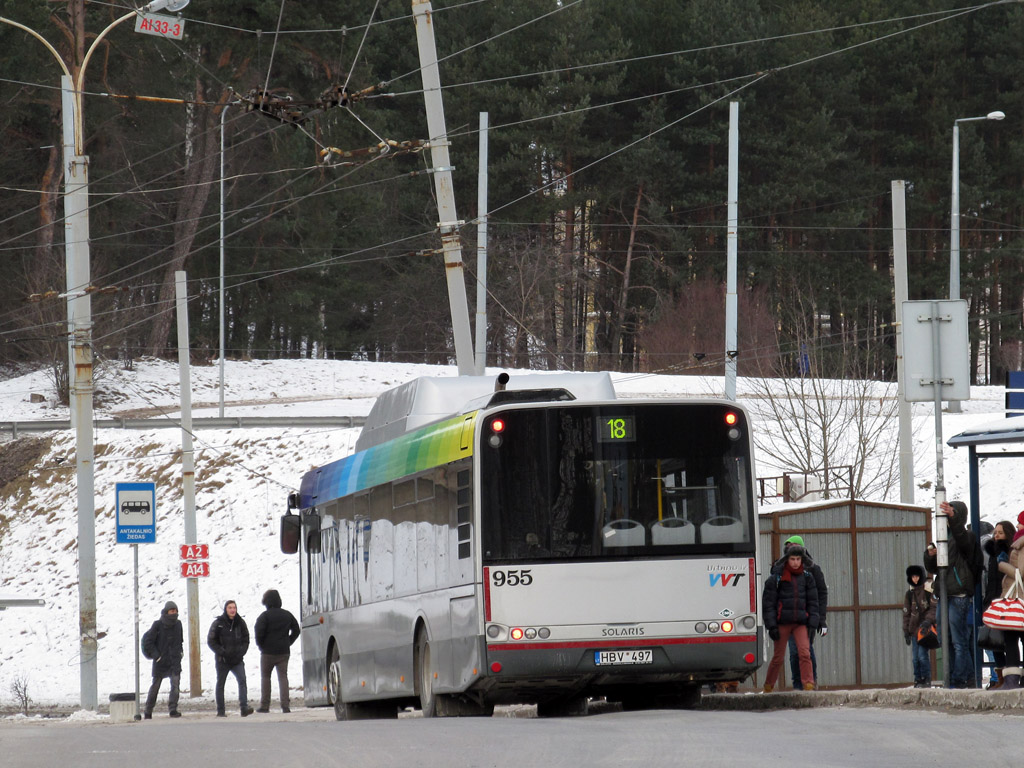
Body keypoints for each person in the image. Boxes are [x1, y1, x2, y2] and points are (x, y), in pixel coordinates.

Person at [923, 500, 982, 689]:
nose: (948, 516)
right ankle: (953, 678)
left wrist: (953, 518)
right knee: (944, 639)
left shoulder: (968, 537)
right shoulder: (944, 537)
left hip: (959, 594)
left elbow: (962, 538)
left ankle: (959, 680)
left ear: (959, 516)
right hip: (944, 593)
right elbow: (935, 568)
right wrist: (929, 556)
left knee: (958, 640)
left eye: (953, 513)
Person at [761, 545, 819, 692]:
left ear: (802, 560)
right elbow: (769, 603)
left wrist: (813, 624)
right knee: (778, 658)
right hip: (782, 623)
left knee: (805, 653)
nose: (795, 562)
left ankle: (808, 685)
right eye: (792, 559)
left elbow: (813, 602)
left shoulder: (807, 578)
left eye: (798, 559)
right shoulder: (776, 578)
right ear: (787, 559)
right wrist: (771, 626)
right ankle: (768, 686)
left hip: (800, 622)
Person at [775, 535, 828, 689]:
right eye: (788, 547)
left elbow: (822, 593)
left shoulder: (813, 569)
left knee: (806, 651)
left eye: (793, 546)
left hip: (808, 618)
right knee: (794, 653)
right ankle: (798, 684)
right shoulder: (783, 569)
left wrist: (820, 619)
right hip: (789, 617)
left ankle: (811, 682)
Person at [254, 588, 300, 713]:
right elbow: (297, 630)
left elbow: (258, 633)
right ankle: (285, 706)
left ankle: (265, 705)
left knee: (265, 678)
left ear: (266, 602)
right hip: (283, 652)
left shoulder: (264, 617)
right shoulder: (287, 615)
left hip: (267, 652)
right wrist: (288, 642)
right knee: (283, 678)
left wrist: (261, 646)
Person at [207, 599, 254, 717]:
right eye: (230, 608)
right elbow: (211, 640)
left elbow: (246, 639)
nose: (232, 610)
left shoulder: (240, 622)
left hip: (237, 659)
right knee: (221, 684)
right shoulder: (218, 623)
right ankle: (221, 710)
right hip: (223, 660)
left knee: (242, 680)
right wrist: (222, 652)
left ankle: (244, 707)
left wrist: (241, 652)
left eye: (234, 608)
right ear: (226, 609)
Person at [982, 521, 1015, 689]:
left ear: (1007, 534)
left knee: (1009, 641)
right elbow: (990, 581)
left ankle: (1012, 677)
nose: (996, 536)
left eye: (1000, 533)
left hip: (1008, 600)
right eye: (995, 533)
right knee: (995, 642)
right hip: (993, 601)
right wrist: (988, 601)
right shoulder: (993, 554)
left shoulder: (1010, 552)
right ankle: (1001, 677)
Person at [996, 511, 1024, 689]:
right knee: (1011, 638)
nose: (1018, 525)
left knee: (1012, 638)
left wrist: (1002, 565)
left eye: (1020, 522)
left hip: (1018, 598)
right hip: (1016, 598)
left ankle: (1013, 680)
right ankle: (1013, 679)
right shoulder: (1018, 543)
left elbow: (1020, 572)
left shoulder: (1022, 544)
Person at [141, 600, 184, 719]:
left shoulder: (178, 624)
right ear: (166, 612)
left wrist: (180, 653)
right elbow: (149, 642)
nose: (173, 613)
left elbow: (180, 641)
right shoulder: (158, 625)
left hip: (174, 661)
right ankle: (148, 710)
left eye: (175, 611)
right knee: (155, 686)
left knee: (175, 686)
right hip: (161, 661)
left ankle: (173, 709)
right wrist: (157, 656)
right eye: (171, 611)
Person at [903, 565, 937, 688]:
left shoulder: (928, 592)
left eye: (917, 576)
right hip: (913, 631)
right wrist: (906, 631)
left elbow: (933, 608)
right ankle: (918, 679)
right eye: (913, 576)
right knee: (915, 659)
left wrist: (928, 621)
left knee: (922, 656)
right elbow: (906, 613)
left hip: (924, 630)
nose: (915, 579)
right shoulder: (909, 594)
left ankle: (926, 679)